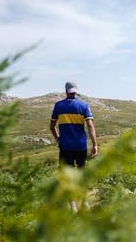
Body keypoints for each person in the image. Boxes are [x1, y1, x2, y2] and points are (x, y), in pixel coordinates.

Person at [50, 82, 98, 212]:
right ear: (76, 91)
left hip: (65, 147)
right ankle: (84, 201)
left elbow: (52, 126)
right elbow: (90, 126)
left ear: (66, 91)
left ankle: (73, 206)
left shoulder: (58, 106)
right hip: (80, 146)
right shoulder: (83, 106)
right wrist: (95, 145)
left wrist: (58, 139)